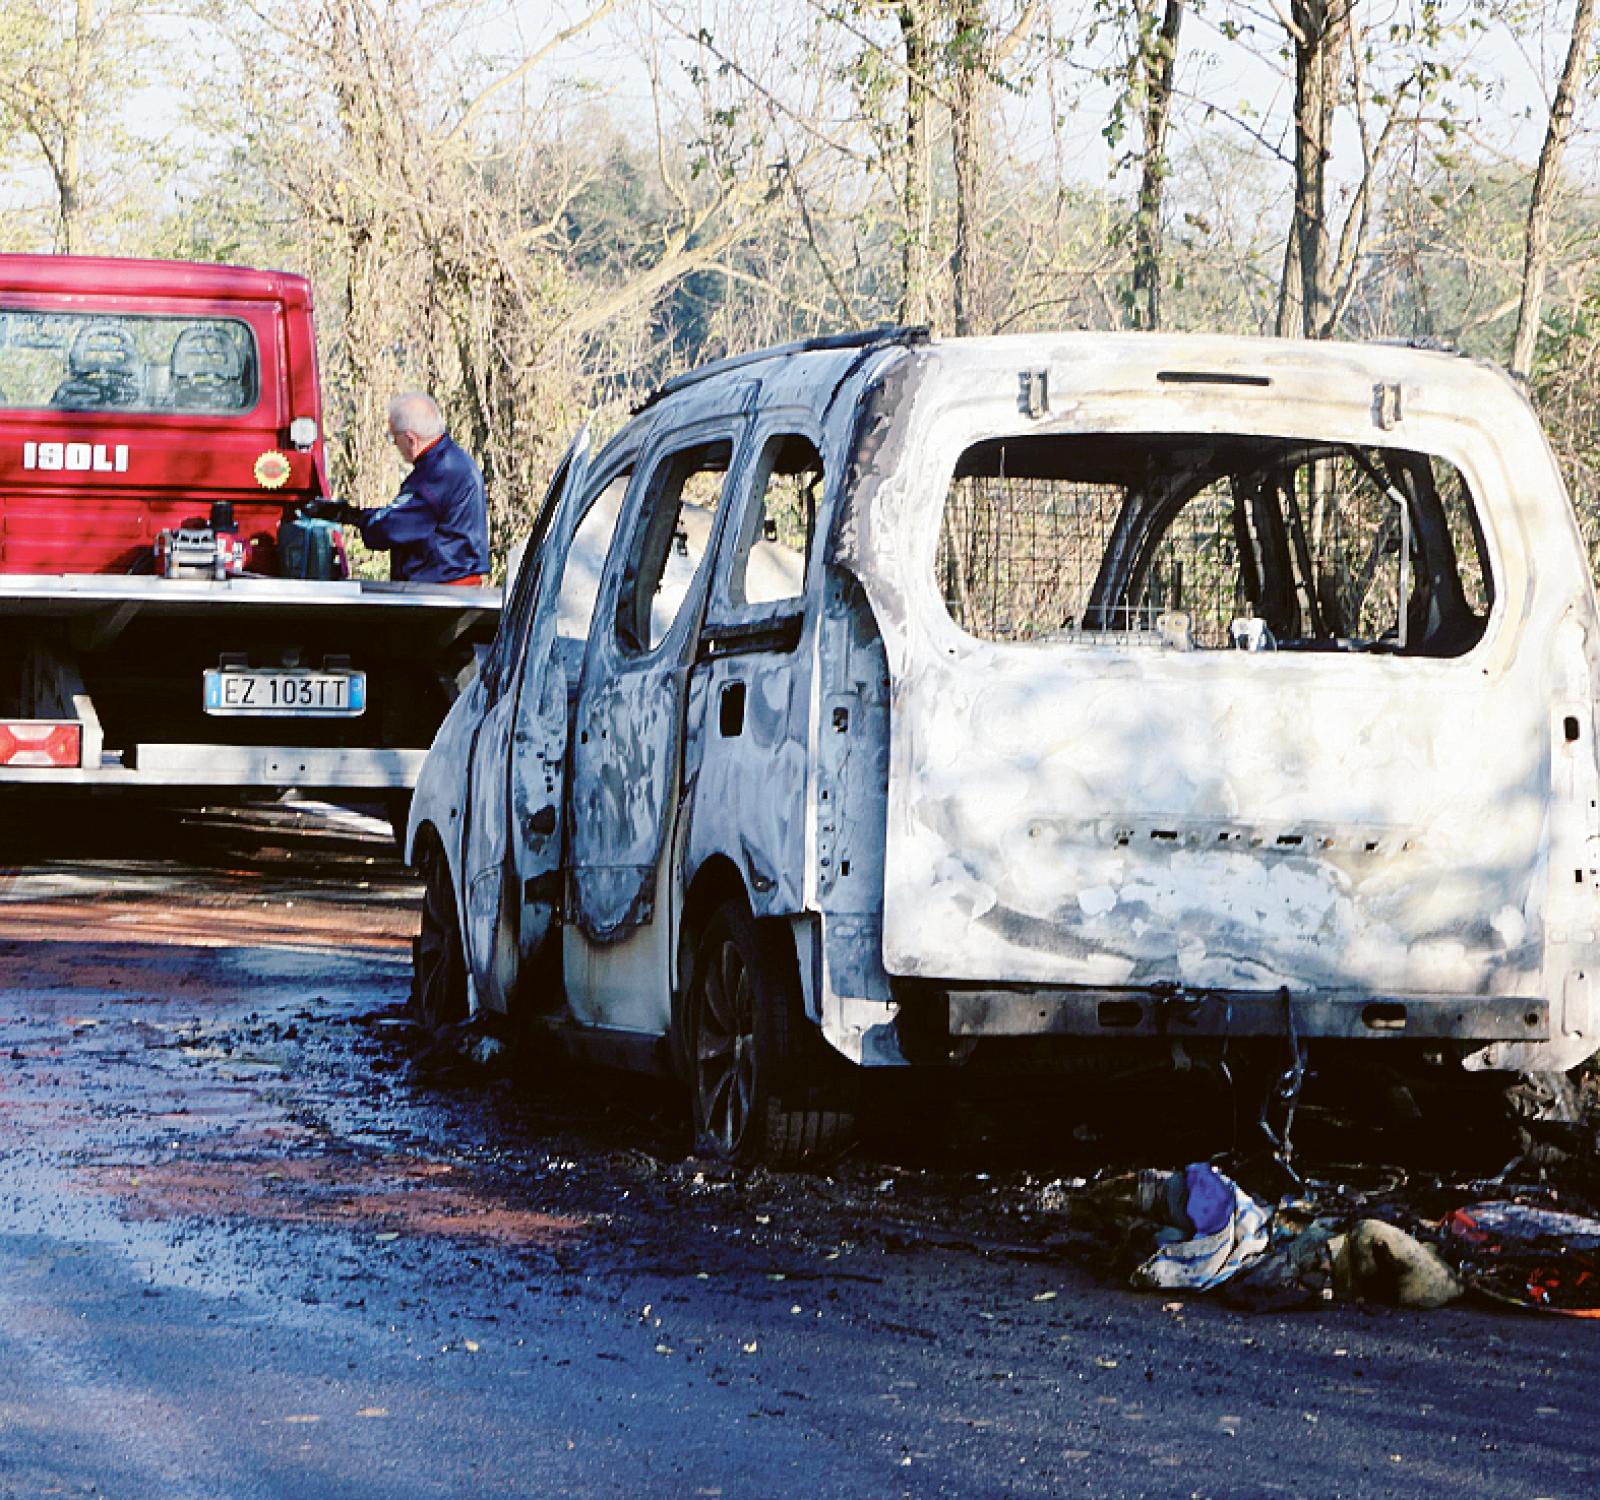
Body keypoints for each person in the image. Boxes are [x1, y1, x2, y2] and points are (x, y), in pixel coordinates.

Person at [307, 392, 490, 584]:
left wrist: (353, 517)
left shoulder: (439, 474)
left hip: (442, 589)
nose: (394, 443)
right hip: (448, 583)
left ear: (411, 439)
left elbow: (393, 528)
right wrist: (351, 515)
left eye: (394, 436)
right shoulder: (450, 463)